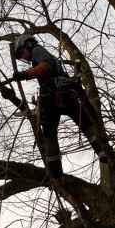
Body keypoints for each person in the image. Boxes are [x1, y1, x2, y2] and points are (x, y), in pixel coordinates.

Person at [9, 34, 107, 186]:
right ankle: (101, 150)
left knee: (49, 136)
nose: (24, 57)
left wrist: (26, 74)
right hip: (67, 94)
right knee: (85, 122)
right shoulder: (47, 55)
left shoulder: (37, 51)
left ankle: (57, 177)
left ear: (27, 45)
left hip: (54, 97)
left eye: (22, 52)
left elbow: (46, 67)